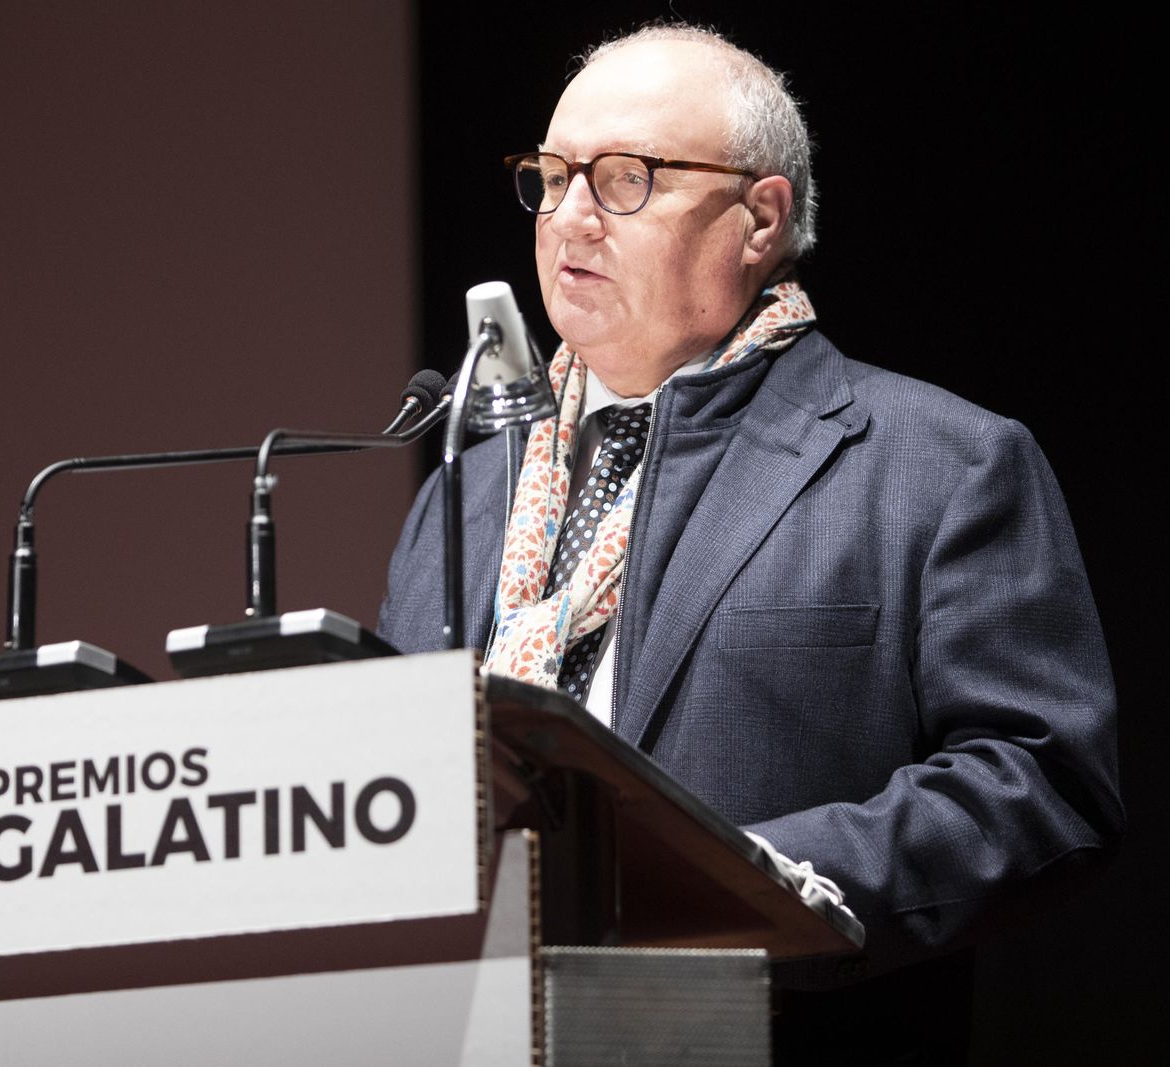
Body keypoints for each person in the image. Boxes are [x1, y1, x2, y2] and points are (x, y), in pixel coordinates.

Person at [377, 22, 1123, 1061]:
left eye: (625, 178)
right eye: (550, 179)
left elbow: (1041, 784)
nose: (569, 220)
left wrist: (747, 880)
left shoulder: (937, 464)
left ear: (759, 218)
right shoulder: (467, 490)